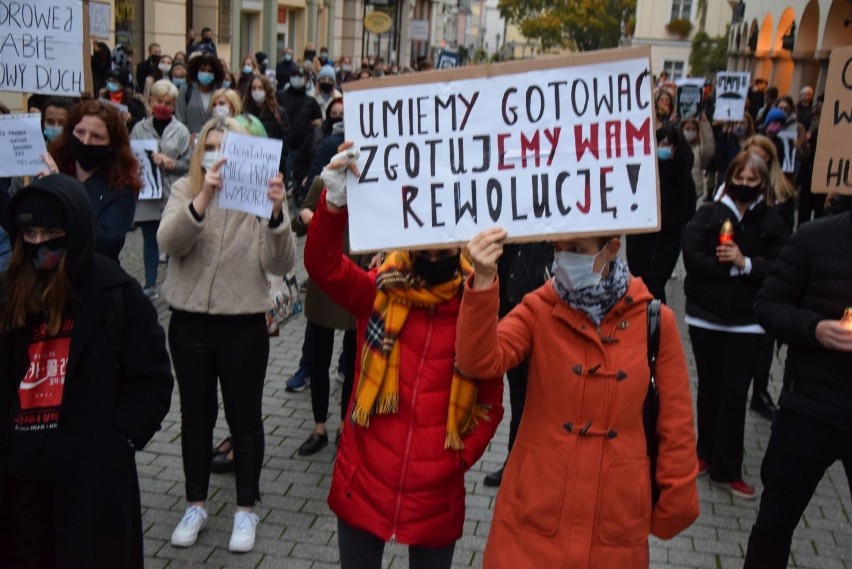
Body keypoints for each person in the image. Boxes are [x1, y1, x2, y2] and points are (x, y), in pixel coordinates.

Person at [304, 145, 503, 568]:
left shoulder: (477, 302)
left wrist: (458, 457)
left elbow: (490, 402)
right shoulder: (379, 289)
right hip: (365, 479)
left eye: (443, 251)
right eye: (424, 251)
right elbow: (323, 266)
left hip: (436, 492)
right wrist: (334, 201)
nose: (433, 259)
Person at [456, 224, 699, 567]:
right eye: (559, 248)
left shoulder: (656, 320)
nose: (564, 259)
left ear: (612, 249)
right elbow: (478, 360)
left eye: (578, 249)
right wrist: (482, 280)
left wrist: (676, 500)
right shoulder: (538, 307)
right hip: (535, 511)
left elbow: (676, 424)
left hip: (614, 520)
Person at [0, 174, 173, 568]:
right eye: (30, 232)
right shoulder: (8, 294)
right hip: (20, 481)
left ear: (75, 231)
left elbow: (152, 381)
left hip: (90, 485)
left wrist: (117, 442)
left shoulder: (115, 293)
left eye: (52, 232)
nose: (40, 243)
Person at [158, 117, 295, 553]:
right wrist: (203, 198)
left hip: (243, 323)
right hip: (190, 321)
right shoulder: (185, 190)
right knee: (195, 416)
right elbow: (169, 241)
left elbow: (281, 263)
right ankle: (195, 504)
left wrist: (276, 214)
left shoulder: (262, 198)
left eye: (228, 147)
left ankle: (245, 509)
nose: (220, 155)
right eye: (212, 147)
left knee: (245, 418)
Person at [743, 198, 852, 568]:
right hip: (808, 408)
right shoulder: (814, 237)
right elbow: (768, 305)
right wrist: (814, 328)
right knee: (773, 525)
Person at [682, 151, 788, 499]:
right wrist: (730, 267)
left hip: (747, 324)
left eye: (751, 180)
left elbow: (779, 269)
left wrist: (745, 264)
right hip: (705, 319)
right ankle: (703, 455)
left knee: (734, 394)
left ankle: (728, 468)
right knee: (709, 388)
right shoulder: (708, 214)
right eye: (738, 178)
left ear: (762, 182)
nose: (743, 185)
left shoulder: (771, 221)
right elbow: (693, 259)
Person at [481, 241, 554, 488]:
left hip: (540, 310)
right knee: (520, 395)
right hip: (509, 310)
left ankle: (537, 467)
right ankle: (516, 463)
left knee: (542, 395)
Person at [41, 99, 141, 262]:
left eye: (96, 136)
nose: (85, 141)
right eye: (80, 132)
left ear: (111, 145)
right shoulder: (51, 168)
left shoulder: (122, 187)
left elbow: (108, 244)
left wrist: (64, 191)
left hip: (93, 278)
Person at [130, 80, 192, 299]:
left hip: (171, 192)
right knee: (150, 239)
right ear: (150, 101)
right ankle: (149, 283)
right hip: (147, 193)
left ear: (174, 105)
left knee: (172, 240)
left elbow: (188, 163)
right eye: (159, 101)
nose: (163, 106)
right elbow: (130, 157)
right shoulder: (139, 129)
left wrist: (170, 163)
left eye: (168, 103)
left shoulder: (181, 131)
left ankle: (174, 283)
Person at [626, 123, 695, 303]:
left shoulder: (681, 173)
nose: (663, 149)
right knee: (639, 281)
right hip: (641, 238)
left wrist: (668, 218)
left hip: (667, 238)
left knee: (656, 284)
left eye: (667, 145)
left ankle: (658, 321)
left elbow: (688, 209)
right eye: (660, 144)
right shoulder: (643, 167)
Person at [277, 66, 322, 193]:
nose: (297, 78)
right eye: (294, 75)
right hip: (284, 147)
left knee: (300, 180)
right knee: (282, 180)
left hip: (302, 147)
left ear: (306, 79)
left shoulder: (311, 101)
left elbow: (319, 121)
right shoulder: (280, 97)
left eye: (300, 76)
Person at [244, 75, 291, 174]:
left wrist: (278, 164)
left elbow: (285, 141)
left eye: (260, 88)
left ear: (267, 90)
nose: (257, 91)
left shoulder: (279, 114)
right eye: (254, 88)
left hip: (273, 167)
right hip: (248, 166)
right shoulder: (245, 113)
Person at [176, 53, 224, 135]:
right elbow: (179, 119)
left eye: (210, 71)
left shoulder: (219, 93)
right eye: (202, 70)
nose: (206, 73)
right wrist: (187, 137)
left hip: (213, 140)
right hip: (189, 142)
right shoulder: (185, 90)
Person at [681, 114, 715, 199]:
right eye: (687, 129)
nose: (690, 132)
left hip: (694, 188)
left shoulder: (698, 148)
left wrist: (705, 125)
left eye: (693, 129)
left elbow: (709, 151)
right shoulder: (676, 147)